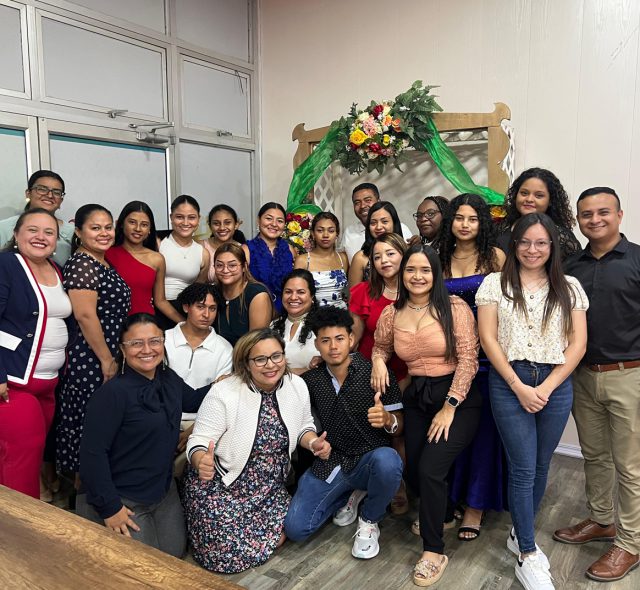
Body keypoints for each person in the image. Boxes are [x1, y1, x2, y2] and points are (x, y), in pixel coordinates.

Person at [476, 213, 588, 590]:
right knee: (523, 468)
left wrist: (548, 387)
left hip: (556, 383)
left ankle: (518, 532)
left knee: (541, 464)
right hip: (509, 380)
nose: (532, 249)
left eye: (541, 242)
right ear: (514, 244)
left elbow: (578, 344)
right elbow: (488, 339)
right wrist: (519, 386)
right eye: (524, 242)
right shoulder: (495, 284)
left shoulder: (569, 287)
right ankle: (527, 551)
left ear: (552, 246)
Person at [371, 243, 481, 587]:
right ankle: (444, 514)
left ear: (436, 274)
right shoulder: (392, 313)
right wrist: (378, 362)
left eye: (425, 270)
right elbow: (381, 347)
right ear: (402, 274)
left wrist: (450, 407)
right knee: (416, 467)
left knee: (432, 469)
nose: (417, 277)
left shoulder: (454, 307)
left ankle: (434, 552)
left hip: (457, 397)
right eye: (410, 270)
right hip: (417, 395)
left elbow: (469, 359)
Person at [183, 328, 330, 574]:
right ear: (245, 363)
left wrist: (313, 442)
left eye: (276, 356)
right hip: (223, 482)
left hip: (269, 486)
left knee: (295, 526)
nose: (271, 365)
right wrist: (200, 461)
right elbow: (199, 440)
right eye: (260, 359)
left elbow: (304, 426)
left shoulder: (296, 385)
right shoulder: (224, 392)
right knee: (222, 553)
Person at [554, 187, 640, 582]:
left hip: (630, 375)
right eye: (586, 214)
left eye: (603, 212)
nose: (595, 220)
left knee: (630, 465)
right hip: (584, 375)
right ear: (578, 220)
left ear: (619, 215)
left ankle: (630, 542)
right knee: (595, 455)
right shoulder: (571, 266)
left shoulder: (637, 260)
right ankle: (602, 520)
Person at [76, 313, 210, 557]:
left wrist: (230, 380)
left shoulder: (168, 378)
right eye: (136, 343)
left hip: (161, 489)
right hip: (120, 494)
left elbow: (196, 399)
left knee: (174, 555)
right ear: (122, 349)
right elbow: (91, 456)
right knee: (144, 566)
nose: (147, 350)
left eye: (154, 341)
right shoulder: (111, 394)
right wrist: (110, 508)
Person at [284, 306, 403, 559]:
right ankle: (349, 495)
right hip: (332, 462)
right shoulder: (311, 381)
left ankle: (369, 519)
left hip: (370, 460)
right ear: (317, 345)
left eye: (339, 338)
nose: (333, 346)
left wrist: (387, 419)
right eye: (325, 341)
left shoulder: (376, 373)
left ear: (351, 339)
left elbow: (399, 426)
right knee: (296, 528)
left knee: (389, 460)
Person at [438, 193, 506, 540]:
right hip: (448, 356)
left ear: (483, 223)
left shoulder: (495, 257)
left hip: (488, 357)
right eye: (459, 218)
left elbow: (508, 308)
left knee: (483, 433)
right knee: (451, 433)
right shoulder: (439, 257)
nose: (465, 225)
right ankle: (451, 496)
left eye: (473, 218)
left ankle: (476, 506)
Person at [0, 209, 72, 499]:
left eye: (49, 232)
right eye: (33, 230)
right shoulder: (7, 264)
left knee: (26, 456)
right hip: (14, 383)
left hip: (48, 383)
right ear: (16, 234)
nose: (41, 237)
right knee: (22, 461)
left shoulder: (56, 269)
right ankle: (20, 525)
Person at [57, 204, 131, 476]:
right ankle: (85, 494)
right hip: (91, 356)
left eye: (108, 227)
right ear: (78, 231)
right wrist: (106, 359)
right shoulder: (82, 264)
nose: (104, 233)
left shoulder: (101, 261)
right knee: (90, 426)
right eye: (95, 227)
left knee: (103, 425)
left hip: (106, 350)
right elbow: (85, 315)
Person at [164, 282, 232, 458]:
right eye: (200, 307)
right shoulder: (163, 340)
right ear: (186, 307)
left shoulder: (225, 349)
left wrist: (196, 429)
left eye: (212, 308)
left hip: (204, 424)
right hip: (161, 419)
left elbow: (221, 400)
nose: (206, 314)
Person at [106, 201, 183, 323]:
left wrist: (186, 324)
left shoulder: (157, 259)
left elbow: (160, 301)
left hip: (146, 325)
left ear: (150, 229)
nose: (138, 229)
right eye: (132, 222)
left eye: (144, 224)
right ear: (121, 224)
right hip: (114, 323)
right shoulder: (106, 254)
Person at [349, 233, 408, 387]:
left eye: (390, 254)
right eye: (377, 257)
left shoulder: (416, 291)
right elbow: (353, 337)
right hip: (369, 371)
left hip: (410, 373)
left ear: (404, 255)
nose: (384, 260)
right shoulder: (363, 291)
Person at [497, 168, 581, 260]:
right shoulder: (501, 228)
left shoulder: (562, 238)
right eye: (524, 193)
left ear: (550, 201)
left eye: (539, 195)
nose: (529, 199)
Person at [0, 170, 75, 266]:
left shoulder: (72, 232)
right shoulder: (4, 228)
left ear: (61, 200)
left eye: (56, 192)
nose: (50, 195)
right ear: (28, 193)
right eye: (42, 189)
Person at [158, 195, 209, 329]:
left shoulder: (203, 253)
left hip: (185, 310)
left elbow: (197, 293)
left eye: (191, 217)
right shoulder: (158, 244)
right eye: (179, 217)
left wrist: (188, 323)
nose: (185, 223)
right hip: (156, 310)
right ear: (171, 217)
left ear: (198, 219)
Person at [214, 242, 272, 346]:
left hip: (247, 354)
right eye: (219, 265)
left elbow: (256, 342)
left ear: (244, 267)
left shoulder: (257, 294)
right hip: (218, 354)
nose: (225, 270)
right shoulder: (213, 293)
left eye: (232, 265)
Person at [243, 202, 296, 313]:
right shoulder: (246, 250)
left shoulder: (290, 250)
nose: (274, 224)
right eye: (269, 219)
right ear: (258, 220)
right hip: (255, 311)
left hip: (287, 311)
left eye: (280, 221)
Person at [341, 183, 413, 262]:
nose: (362, 206)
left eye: (368, 200)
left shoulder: (402, 228)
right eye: (357, 203)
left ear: (379, 201)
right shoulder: (349, 232)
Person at [295, 212, 349, 308]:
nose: (325, 235)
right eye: (320, 230)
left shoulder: (343, 258)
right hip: (312, 313)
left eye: (331, 231)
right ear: (313, 234)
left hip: (341, 313)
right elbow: (296, 293)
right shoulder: (303, 260)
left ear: (337, 234)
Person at [271, 269, 320, 375]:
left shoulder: (323, 325)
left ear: (312, 296)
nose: (293, 297)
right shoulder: (273, 326)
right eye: (288, 292)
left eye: (301, 292)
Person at [349, 200, 406, 287]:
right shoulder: (360, 258)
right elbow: (354, 294)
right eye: (373, 223)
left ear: (394, 223)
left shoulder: (407, 251)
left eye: (384, 221)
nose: (378, 227)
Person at [201, 204, 244, 283]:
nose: (222, 228)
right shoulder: (201, 247)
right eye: (216, 223)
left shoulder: (243, 249)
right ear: (209, 226)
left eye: (227, 223)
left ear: (236, 224)